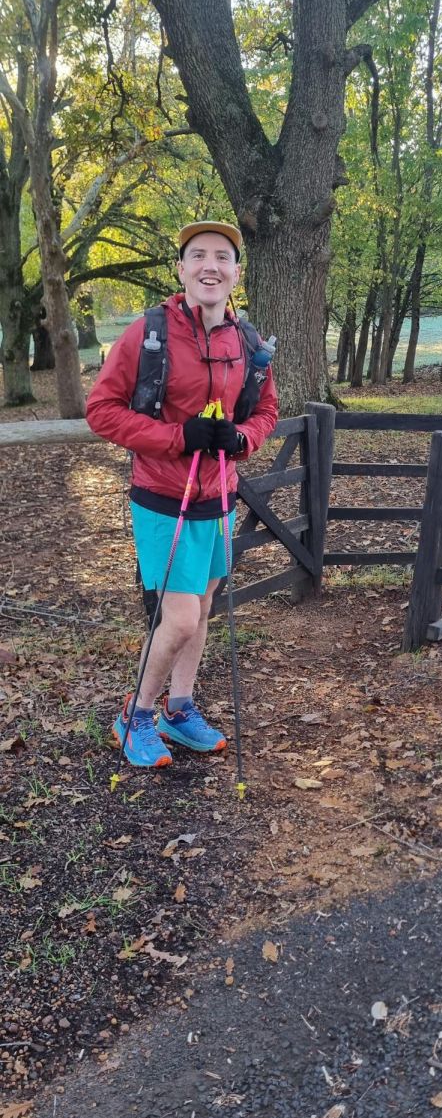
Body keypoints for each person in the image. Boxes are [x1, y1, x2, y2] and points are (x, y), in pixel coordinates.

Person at [86, 221, 278, 768]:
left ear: (237, 272)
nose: (210, 265)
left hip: (217, 496)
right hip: (161, 496)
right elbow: (101, 410)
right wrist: (177, 437)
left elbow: (266, 411)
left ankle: (180, 707)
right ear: (181, 269)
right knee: (181, 619)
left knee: (204, 605)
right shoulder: (149, 333)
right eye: (198, 255)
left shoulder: (248, 341)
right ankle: (136, 715)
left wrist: (240, 439)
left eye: (222, 256)